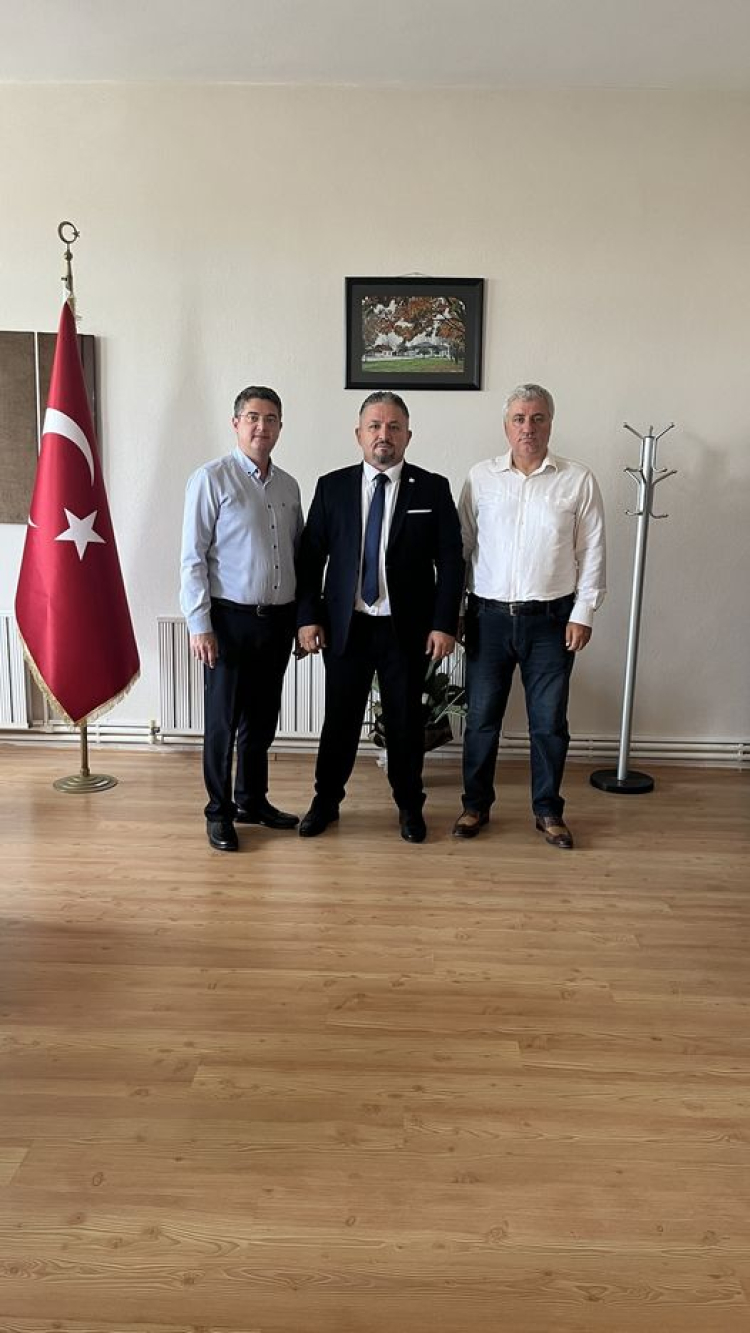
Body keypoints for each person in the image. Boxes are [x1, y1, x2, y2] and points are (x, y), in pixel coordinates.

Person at [296, 390, 465, 843]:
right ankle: (325, 801)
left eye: (393, 427)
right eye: (374, 426)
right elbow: (310, 560)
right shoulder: (332, 487)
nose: (383, 435)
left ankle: (410, 806)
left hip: (405, 630)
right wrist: (308, 617)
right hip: (346, 628)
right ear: (359, 434)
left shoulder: (432, 488)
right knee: (339, 720)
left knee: (406, 723)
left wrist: (444, 623)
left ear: (408, 435)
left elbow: (451, 562)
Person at [454, 383, 606, 849]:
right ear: (506, 425)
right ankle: (475, 805)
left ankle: (547, 810)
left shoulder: (578, 480)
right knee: (481, 720)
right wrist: (454, 610)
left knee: (549, 723)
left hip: (552, 621)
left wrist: (584, 612)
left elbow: (592, 550)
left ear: (550, 424)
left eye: (538, 418)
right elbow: (462, 547)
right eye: (519, 418)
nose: (528, 427)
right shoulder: (480, 477)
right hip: (487, 618)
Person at [180, 386, 303, 851]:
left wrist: (299, 619)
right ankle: (219, 811)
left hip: (277, 620)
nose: (261, 426)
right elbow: (192, 558)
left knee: (262, 718)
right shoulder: (211, 479)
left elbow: (296, 555)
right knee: (223, 722)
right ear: (236, 424)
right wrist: (200, 624)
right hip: (228, 622)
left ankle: (252, 799)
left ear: (280, 427)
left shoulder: (289, 486)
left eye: (270, 418)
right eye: (252, 417)